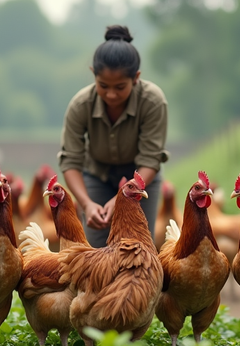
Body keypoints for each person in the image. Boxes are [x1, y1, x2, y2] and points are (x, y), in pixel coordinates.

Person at [59, 25, 169, 248]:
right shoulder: (80, 105)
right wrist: (87, 203)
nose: (111, 94)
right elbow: (70, 161)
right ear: (93, 74)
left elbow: (150, 160)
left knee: (139, 249)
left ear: (136, 78)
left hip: (140, 179)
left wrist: (122, 198)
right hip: (97, 177)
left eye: (120, 87)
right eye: (103, 86)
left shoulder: (152, 101)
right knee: (97, 253)